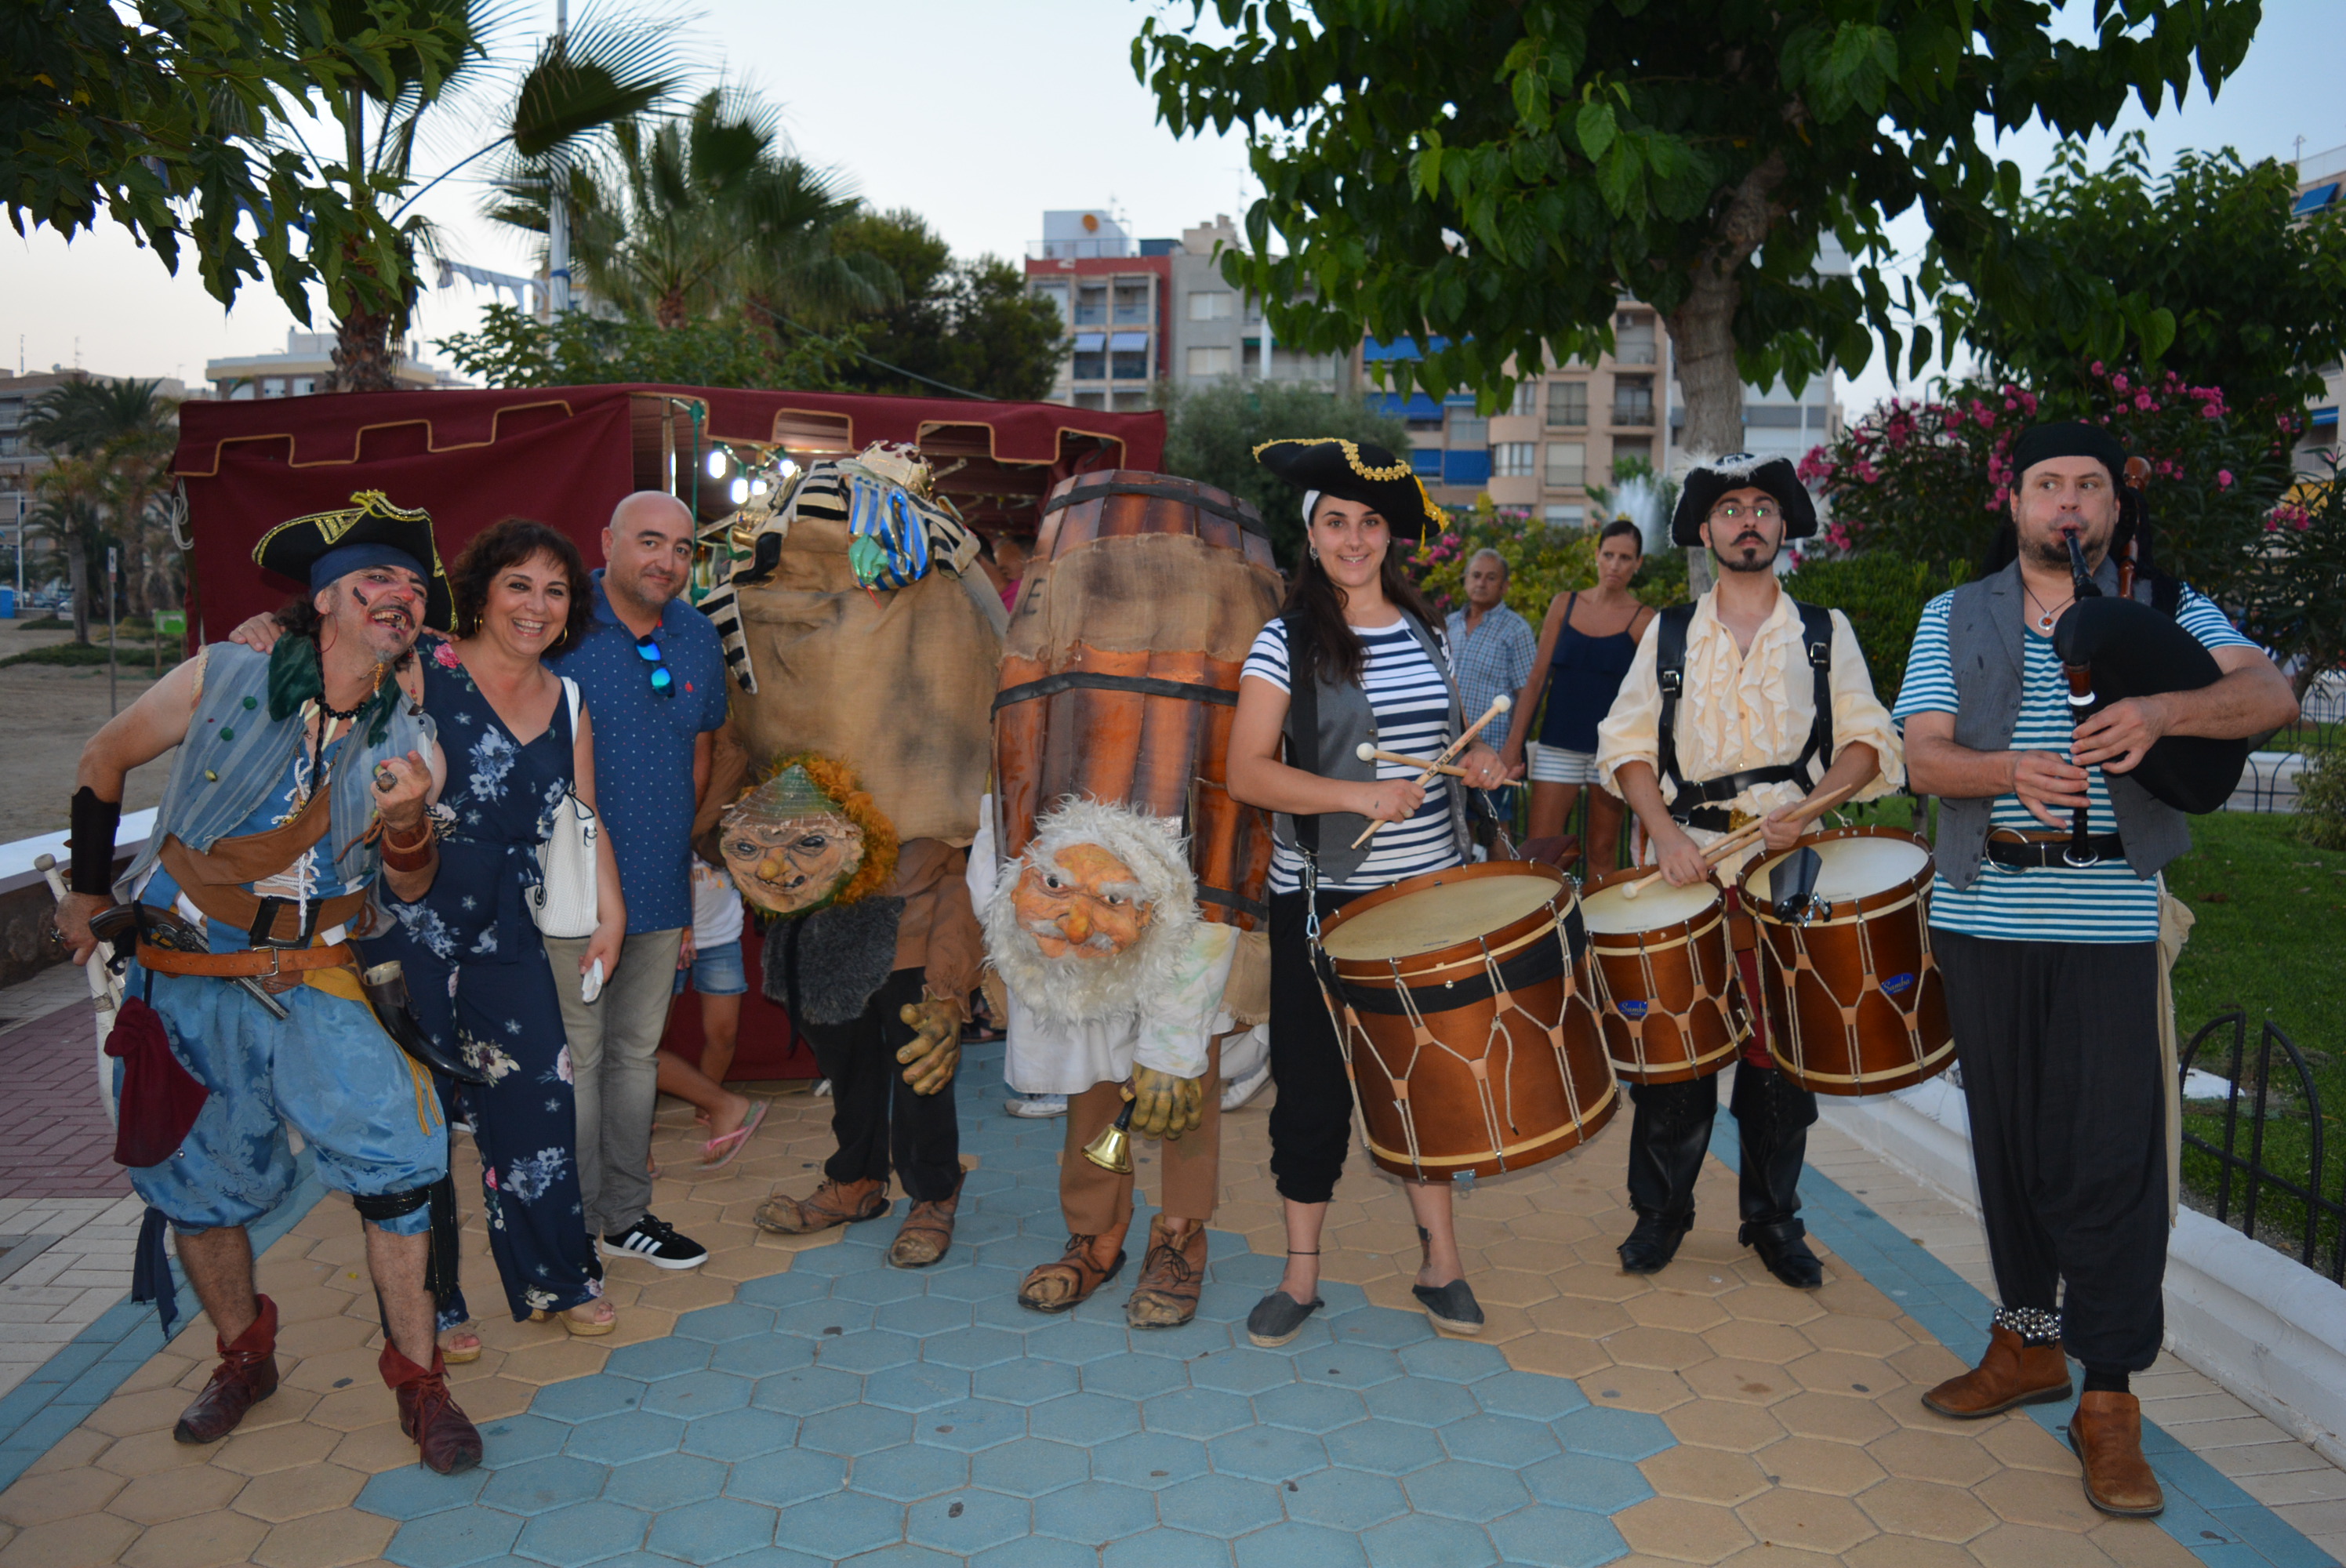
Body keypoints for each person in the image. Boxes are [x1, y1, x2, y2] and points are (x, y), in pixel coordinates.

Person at [1898, 421, 2296, 1519]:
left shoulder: (2167, 606)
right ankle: (2027, 1344)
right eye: (2047, 484)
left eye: (2089, 487)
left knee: (2111, 1159)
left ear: (2115, 508)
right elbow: (1921, 755)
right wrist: (2005, 769)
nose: (2067, 503)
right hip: (1987, 915)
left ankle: (2109, 1400)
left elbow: (2271, 697)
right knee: (2012, 1144)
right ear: (2014, 501)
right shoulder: (1955, 613)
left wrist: (2164, 708)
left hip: (2109, 918)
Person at [53, 493, 479, 1472]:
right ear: (326, 599)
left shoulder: (415, 735)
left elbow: (409, 882)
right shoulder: (225, 671)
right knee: (198, 1183)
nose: (400, 596)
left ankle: (421, 1382)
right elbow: (102, 756)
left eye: (414, 588)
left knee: (403, 1160)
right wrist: (84, 890)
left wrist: (411, 820)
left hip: (320, 975)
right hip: (188, 970)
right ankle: (244, 1355)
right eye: (377, 578)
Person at [1228, 437, 1518, 1346]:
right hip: (1323, 898)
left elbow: (1441, 745)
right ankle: (1301, 1274)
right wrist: (1356, 794)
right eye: (1335, 522)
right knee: (1312, 1090)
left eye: (1368, 522)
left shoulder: (1428, 627)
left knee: (1422, 1085)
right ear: (1310, 535)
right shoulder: (1285, 638)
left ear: (1389, 534)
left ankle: (1442, 1265)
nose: (1354, 538)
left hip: (1424, 897)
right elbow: (1246, 772)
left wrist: (1476, 762)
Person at [1594, 454, 1902, 1289]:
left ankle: (1772, 1218)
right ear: (1705, 531)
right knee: (1678, 1049)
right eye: (1729, 508)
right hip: (1685, 862)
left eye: (1763, 507)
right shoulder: (1664, 632)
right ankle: (1659, 1213)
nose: (1747, 521)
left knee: (1779, 1054)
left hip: (1787, 864)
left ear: (1782, 527)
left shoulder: (1823, 631)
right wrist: (1660, 832)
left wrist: (1808, 808)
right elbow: (1623, 746)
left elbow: (1869, 741)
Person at [362, 520, 626, 1345]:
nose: (536, 605)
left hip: (507, 922)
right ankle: (434, 1301)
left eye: (555, 590)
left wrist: (611, 909)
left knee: (539, 1098)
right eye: (519, 584)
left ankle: (556, 1277)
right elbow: (328, 646)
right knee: (420, 1117)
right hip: (408, 917)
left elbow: (582, 818)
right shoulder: (417, 672)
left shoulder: (569, 698)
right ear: (482, 592)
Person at [548, 492, 731, 1270]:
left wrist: (685, 876)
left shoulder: (695, 636)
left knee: (632, 1057)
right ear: (608, 541)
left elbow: (701, 751)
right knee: (576, 1060)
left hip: (658, 884)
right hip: (565, 889)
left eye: (683, 547)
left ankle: (622, 1216)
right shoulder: (553, 621)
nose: (667, 560)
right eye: (650, 541)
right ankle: (566, 1226)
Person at [1505, 520, 1656, 872]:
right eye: (1609, 555)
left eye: (1625, 557)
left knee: (1602, 850)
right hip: (1558, 743)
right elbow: (1537, 678)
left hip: (1611, 751)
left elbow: (1650, 698)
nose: (1615, 565)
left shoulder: (1644, 620)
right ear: (1597, 556)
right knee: (1540, 850)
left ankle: (1596, 928)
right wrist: (1514, 744)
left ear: (1638, 564)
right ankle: (1544, 925)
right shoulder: (1565, 605)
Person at [663, 855, 766, 1168]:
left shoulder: (726, 812)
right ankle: (634, 1121)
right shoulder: (664, 810)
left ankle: (708, 1104)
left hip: (720, 936)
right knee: (646, 1041)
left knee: (723, 1033)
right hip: (666, 937)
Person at [1444, 548, 1537, 844]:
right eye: (1476, 575)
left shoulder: (1515, 629)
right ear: (1465, 580)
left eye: (1491, 577)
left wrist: (1513, 749)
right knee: (1456, 830)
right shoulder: (1447, 625)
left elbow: (1527, 694)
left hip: (1492, 752)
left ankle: (1505, 889)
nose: (1481, 583)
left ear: (1505, 585)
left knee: (1496, 829)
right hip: (1449, 752)